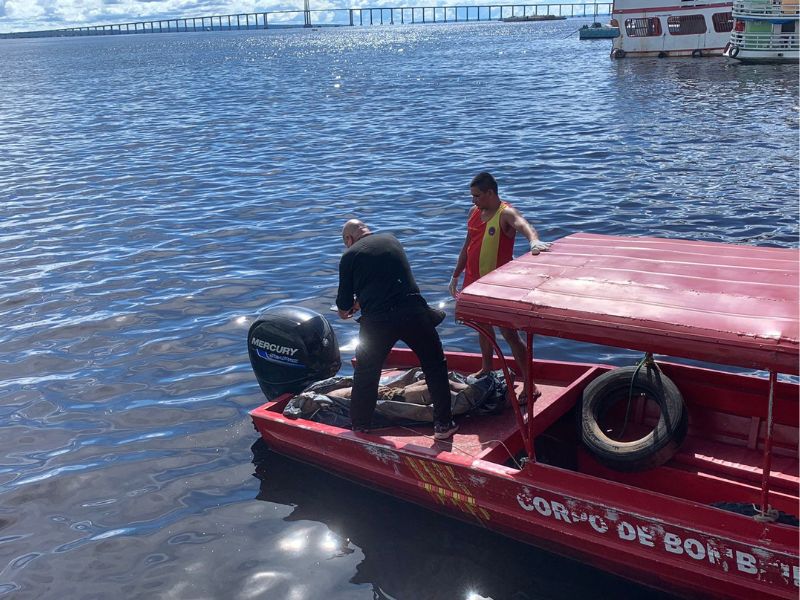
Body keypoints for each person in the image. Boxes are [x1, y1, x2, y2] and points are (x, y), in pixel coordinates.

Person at [336, 219, 458, 440]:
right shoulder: (391, 240)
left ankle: (360, 427)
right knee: (434, 365)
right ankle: (443, 425)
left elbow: (344, 304)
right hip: (413, 312)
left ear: (348, 239)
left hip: (378, 322)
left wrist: (346, 310)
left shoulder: (349, 255)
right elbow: (389, 281)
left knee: (366, 372)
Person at [448, 171, 550, 401]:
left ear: (490, 193)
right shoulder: (474, 212)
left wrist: (534, 240)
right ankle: (486, 367)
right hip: (474, 283)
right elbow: (467, 246)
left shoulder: (505, 213)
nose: (473, 200)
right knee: (482, 328)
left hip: (497, 287)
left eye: (477, 195)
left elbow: (523, 225)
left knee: (509, 334)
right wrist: (455, 275)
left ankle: (530, 385)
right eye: (472, 196)